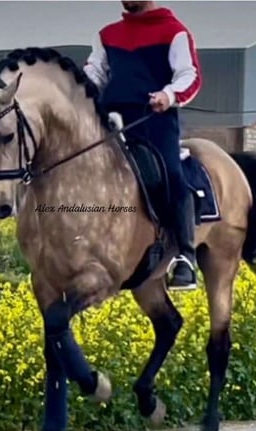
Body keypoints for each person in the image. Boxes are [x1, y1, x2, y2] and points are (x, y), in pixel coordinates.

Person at [83, 1, 202, 290]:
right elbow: (94, 74)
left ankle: (185, 257)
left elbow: (190, 75)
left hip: (154, 119)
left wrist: (169, 94)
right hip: (111, 120)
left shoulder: (173, 31)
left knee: (170, 174)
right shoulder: (107, 35)